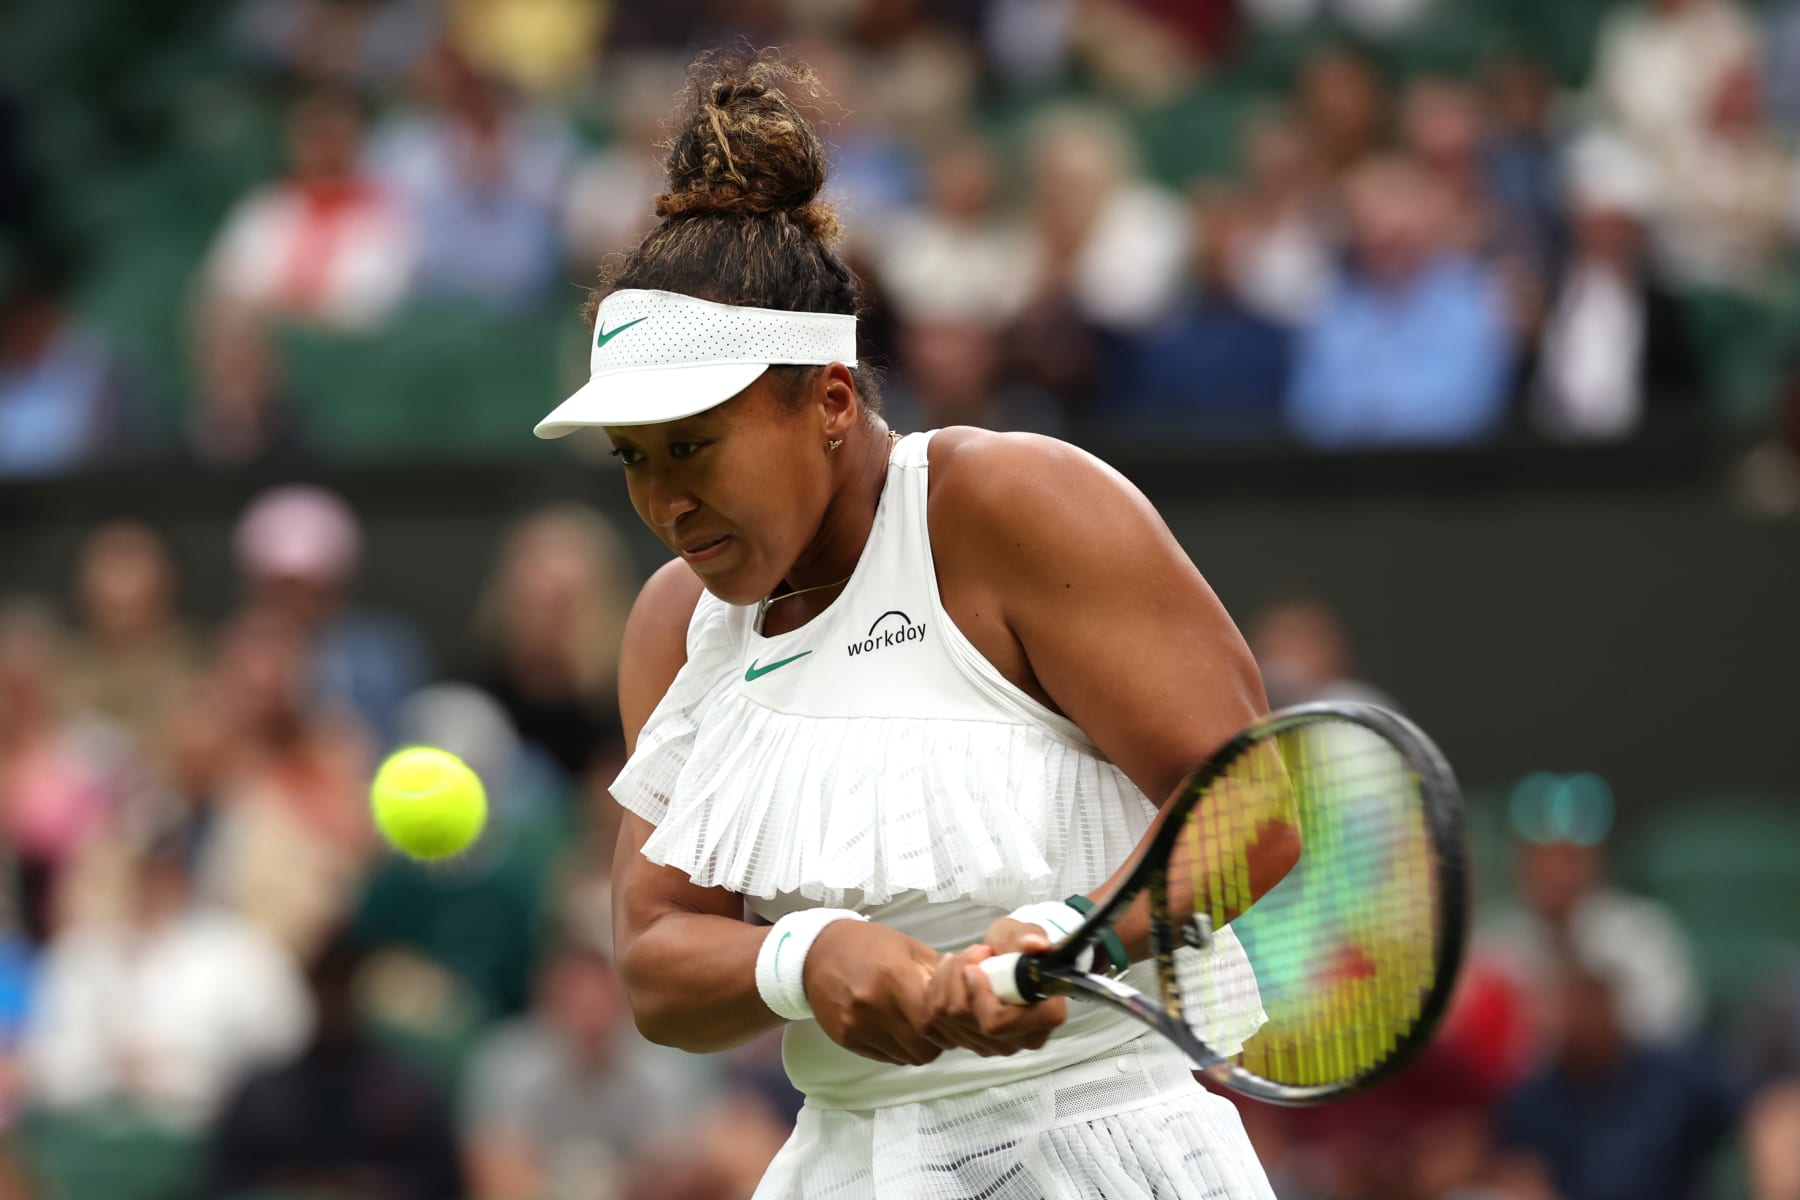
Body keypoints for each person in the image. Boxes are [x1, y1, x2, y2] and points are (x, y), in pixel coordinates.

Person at [534, 50, 1285, 1199]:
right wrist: (805, 955)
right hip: (848, 1165)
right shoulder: (673, 623)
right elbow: (657, 962)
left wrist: (1075, 935)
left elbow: (1253, 804)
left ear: (830, 401)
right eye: (632, 459)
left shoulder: (1012, 504)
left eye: (692, 445)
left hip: (1107, 1150)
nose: (665, 501)